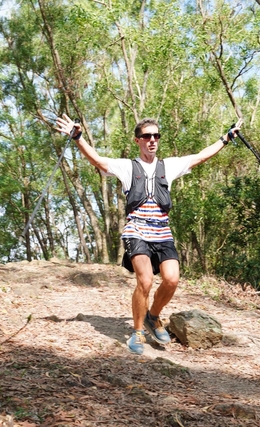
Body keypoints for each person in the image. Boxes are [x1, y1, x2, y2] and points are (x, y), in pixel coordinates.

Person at [56, 114, 242, 354]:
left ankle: (152, 317)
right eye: (147, 136)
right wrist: (78, 138)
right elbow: (99, 161)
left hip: (162, 233)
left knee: (172, 280)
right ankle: (137, 332)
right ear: (138, 140)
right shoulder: (127, 167)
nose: (152, 140)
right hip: (137, 230)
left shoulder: (169, 166)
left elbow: (201, 156)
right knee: (144, 280)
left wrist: (226, 138)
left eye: (156, 136)